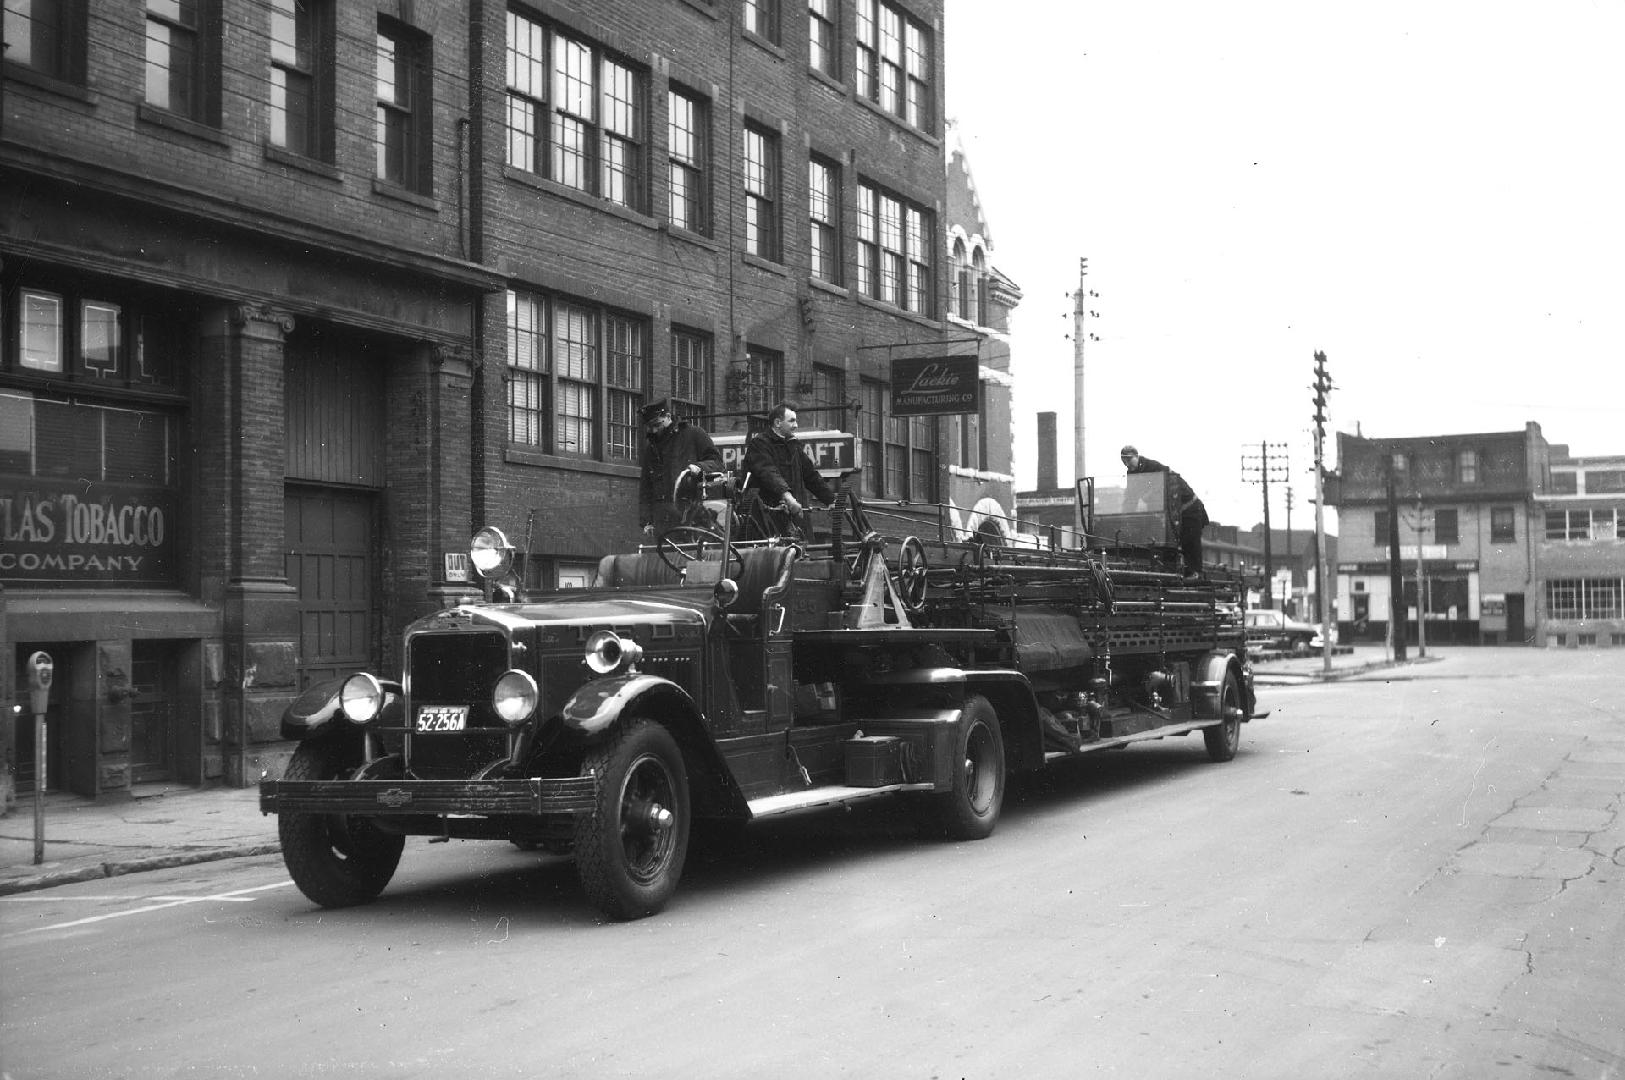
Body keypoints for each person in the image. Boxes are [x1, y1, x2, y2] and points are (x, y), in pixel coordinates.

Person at [741, 402, 836, 536]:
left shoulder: (794, 446)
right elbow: (768, 473)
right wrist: (787, 497)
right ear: (778, 423)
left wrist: (831, 500)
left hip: (793, 517)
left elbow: (811, 476)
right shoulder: (760, 444)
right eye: (792, 421)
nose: (796, 426)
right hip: (767, 520)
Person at [639, 399, 723, 538]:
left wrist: (699, 467)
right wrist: (646, 521)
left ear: (668, 416)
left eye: (657, 425)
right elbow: (646, 487)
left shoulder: (694, 434)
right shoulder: (651, 449)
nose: (654, 430)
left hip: (693, 517)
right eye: (650, 426)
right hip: (663, 522)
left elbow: (717, 462)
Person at [1121, 444, 1208, 576]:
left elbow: (1165, 483)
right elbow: (1131, 496)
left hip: (1189, 508)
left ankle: (1196, 573)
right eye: (1124, 460)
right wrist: (1125, 515)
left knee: (1189, 542)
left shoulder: (1153, 466)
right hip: (1170, 512)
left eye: (1129, 459)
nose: (1127, 463)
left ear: (1137, 456)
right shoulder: (1131, 473)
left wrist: (1145, 498)